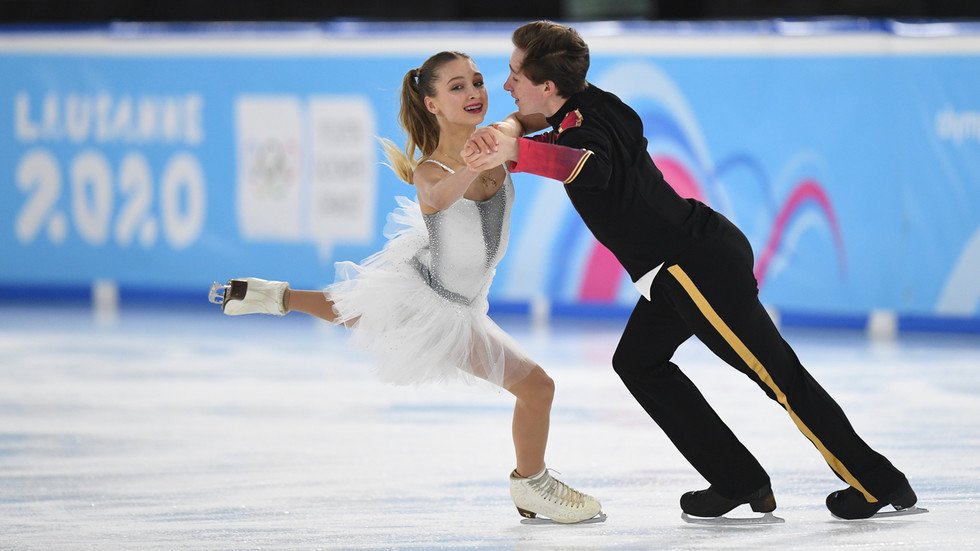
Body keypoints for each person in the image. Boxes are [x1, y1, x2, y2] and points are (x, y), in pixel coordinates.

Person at [463, 21, 919, 521]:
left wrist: (515, 149)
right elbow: (542, 125)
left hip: (692, 269)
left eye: (513, 75)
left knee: (777, 375)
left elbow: (588, 166)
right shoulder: (597, 104)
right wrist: (510, 131)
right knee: (639, 363)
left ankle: (875, 481)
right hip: (678, 268)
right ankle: (737, 480)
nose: (505, 85)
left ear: (546, 86)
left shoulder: (585, 133)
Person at [210, 51, 602, 524]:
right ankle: (532, 486)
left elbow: (532, 115)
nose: (474, 92)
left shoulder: (498, 135)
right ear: (432, 104)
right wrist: (477, 163)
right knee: (537, 387)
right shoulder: (431, 170)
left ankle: (276, 297)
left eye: (477, 81)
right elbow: (437, 197)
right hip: (440, 304)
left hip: (454, 292)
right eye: (456, 87)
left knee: (363, 309)